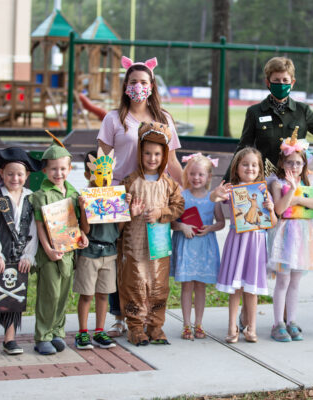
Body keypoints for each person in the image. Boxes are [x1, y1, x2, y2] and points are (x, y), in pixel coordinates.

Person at [96, 56, 183, 335]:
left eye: (143, 82)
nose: (138, 86)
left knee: (150, 258)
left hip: (155, 196)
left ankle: (148, 316)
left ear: (152, 85)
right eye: (133, 82)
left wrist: (187, 196)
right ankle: (121, 315)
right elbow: (102, 158)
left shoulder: (164, 119)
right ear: (125, 86)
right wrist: (99, 192)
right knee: (119, 255)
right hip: (120, 194)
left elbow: (172, 162)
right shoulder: (114, 118)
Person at [118, 122, 185, 346]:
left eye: (157, 153)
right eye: (147, 153)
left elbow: (178, 207)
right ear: (140, 152)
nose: (152, 158)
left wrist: (161, 212)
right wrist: (128, 210)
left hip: (158, 247)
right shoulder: (129, 182)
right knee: (134, 285)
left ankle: (155, 326)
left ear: (164, 154)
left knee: (158, 286)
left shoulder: (169, 184)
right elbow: (116, 215)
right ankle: (135, 327)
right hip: (134, 246)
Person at [226, 56, 313, 179]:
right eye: (276, 80)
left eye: (285, 80)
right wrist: (227, 180)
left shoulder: (302, 111)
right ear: (268, 82)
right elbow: (244, 148)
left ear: (292, 83)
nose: (281, 84)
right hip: (264, 181)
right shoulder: (255, 112)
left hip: (294, 182)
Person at [267, 134, 313, 342]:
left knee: (296, 280)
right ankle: (278, 323)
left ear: (304, 164)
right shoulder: (277, 183)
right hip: (285, 234)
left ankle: (292, 320)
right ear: (282, 162)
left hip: (304, 233)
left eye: (298, 162)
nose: (294, 166)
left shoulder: (309, 180)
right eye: (290, 162)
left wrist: (297, 198)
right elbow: (279, 209)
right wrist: (294, 193)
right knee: (283, 279)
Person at [0, 147, 41, 356]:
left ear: (27, 175)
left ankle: (10, 337)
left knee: (15, 295)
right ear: (1, 174)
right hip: (0, 255)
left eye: (20, 174)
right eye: (10, 174)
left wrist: (29, 255)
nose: (15, 178)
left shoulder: (31, 198)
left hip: (20, 256)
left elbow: (33, 228)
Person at [30, 141, 89, 355]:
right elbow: (39, 227)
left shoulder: (73, 195)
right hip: (50, 255)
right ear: (45, 170)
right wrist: (47, 249)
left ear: (70, 169)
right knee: (49, 294)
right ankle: (42, 335)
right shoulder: (41, 195)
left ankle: (57, 331)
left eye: (63, 168)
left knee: (63, 294)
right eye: (53, 168)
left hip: (68, 253)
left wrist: (82, 237)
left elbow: (78, 225)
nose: (58, 173)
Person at [217, 147, 277, 343]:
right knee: (236, 288)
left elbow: (272, 222)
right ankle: (232, 326)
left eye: (254, 165)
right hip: (237, 242)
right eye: (245, 164)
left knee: (252, 288)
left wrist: (271, 210)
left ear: (259, 168)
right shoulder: (232, 189)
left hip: (256, 244)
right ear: (237, 168)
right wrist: (216, 193)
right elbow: (215, 199)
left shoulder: (263, 191)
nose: (249, 168)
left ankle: (251, 328)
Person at [170, 153, 226, 340]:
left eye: (201, 175)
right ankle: (186, 325)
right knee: (187, 287)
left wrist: (210, 228)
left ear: (209, 177)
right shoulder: (181, 196)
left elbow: (221, 222)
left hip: (204, 247)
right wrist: (182, 226)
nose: (196, 178)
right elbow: (171, 222)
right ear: (187, 175)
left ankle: (199, 324)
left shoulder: (213, 198)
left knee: (200, 286)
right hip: (186, 246)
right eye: (192, 174)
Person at [72, 150, 123, 350]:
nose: (104, 178)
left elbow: (118, 230)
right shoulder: (84, 197)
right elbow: (85, 230)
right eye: (99, 173)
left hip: (109, 253)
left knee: (104, 293)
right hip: (89, 252)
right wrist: (84, 210)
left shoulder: (115, 196)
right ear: (87, 175)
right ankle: (83, 333)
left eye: (108, 172)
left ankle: (99, 331)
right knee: (86, 294)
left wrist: (125, 211)